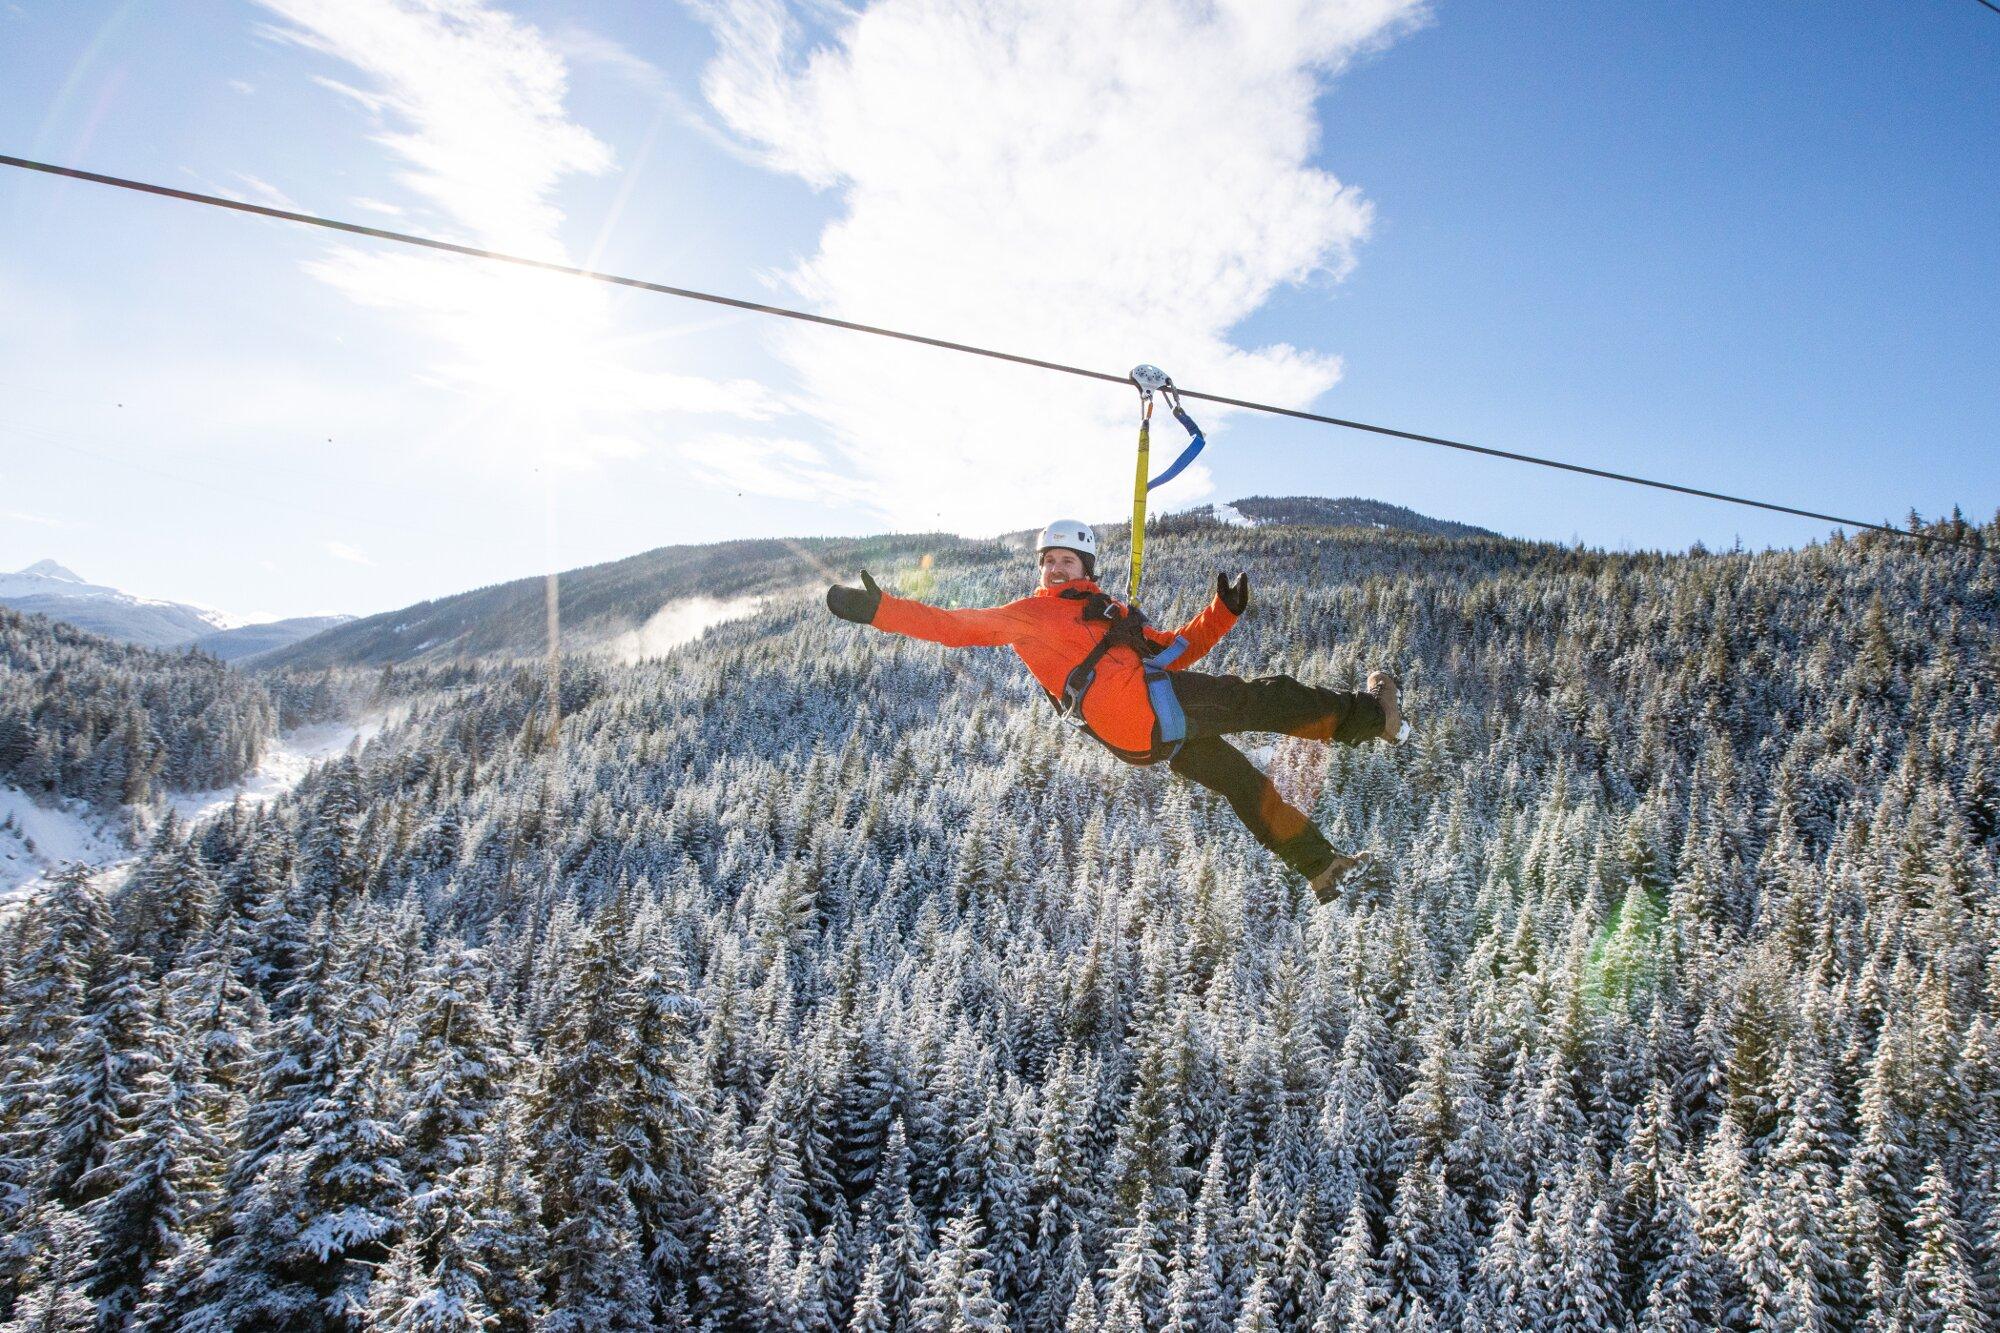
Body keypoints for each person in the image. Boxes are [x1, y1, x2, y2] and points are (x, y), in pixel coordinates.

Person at [826, 519, 1403, 900]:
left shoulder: (1112, 614)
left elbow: (1175, 650)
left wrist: (1221, 612)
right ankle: (1374, 717)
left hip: (1142, 737)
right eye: (1047, 561)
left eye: (1065, 562)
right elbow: (954, 627)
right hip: (1145, 714)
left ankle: (1319, 866)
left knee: (1241, 783)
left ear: (1087, 566)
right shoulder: (1034, 614)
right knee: (1267, 697)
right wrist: (881, 610)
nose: (1053, 569)